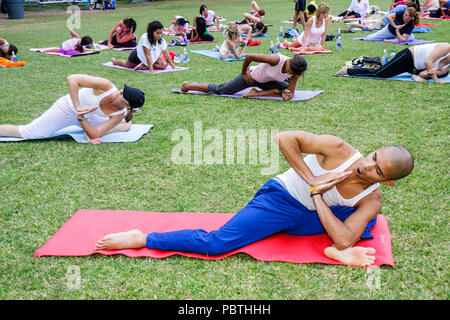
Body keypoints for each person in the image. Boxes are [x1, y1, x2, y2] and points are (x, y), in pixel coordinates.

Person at [96, 131, 415, 268]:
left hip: (311, 215)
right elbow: (284, 138)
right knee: (217, 244)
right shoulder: (341, 150)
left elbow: (346, 240)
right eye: (374, 157)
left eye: (377, 170)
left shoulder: (373, 196)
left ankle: (329, 247)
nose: (366, 165)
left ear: (386, 180)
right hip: (280, 199)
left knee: (368, 216)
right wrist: (313, 180)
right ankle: (143, 238)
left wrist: (318, 196)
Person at [0, 74, 145, 143]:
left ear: (127, 105)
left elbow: (94, 134)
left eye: (123, 95)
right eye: (122, 90)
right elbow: (73, 79)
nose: (119, 92)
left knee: (123, 125)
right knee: (29, 132)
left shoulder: (119, 114)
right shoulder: (106, 86)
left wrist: (81, 117)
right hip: (67, 108)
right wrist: (77, 106)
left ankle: (116, 126)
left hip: (87, 116)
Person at [180, 53, 307, 100]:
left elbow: (290, 91)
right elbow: (249, 56)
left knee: (283, 90)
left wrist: (287, 94)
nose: (291, 75)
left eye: (293, 74)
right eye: (290, 71)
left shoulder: (295, 71)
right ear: (290, 62)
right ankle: (188, 86)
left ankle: (255, 93)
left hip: (268, 82)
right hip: (252, 77)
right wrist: (244, 73)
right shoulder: (276, 60)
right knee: (222, 90)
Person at [336, 42, 449, 83]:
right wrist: (436, 79)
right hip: (408, 57)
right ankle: (347, 70)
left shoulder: (445, 70)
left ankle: (356, 68)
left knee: (383, 71)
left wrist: (429, 74)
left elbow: (422, 73)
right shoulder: (446, 47)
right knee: (380, 73)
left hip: (414, 68)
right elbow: (428, 61)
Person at [112, 21, 176, 74]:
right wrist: (151, 70)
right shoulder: (145, 38)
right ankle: (115, 61)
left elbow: (166, 53)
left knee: (164, 65)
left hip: (152, 55)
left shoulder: (161, 40)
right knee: (126, 64)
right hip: (138, 55)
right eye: (157, 33)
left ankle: (143, 66)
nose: (160, 35)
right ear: (152, 32)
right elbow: (147, 55)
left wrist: (173, 66)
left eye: (161, 33)